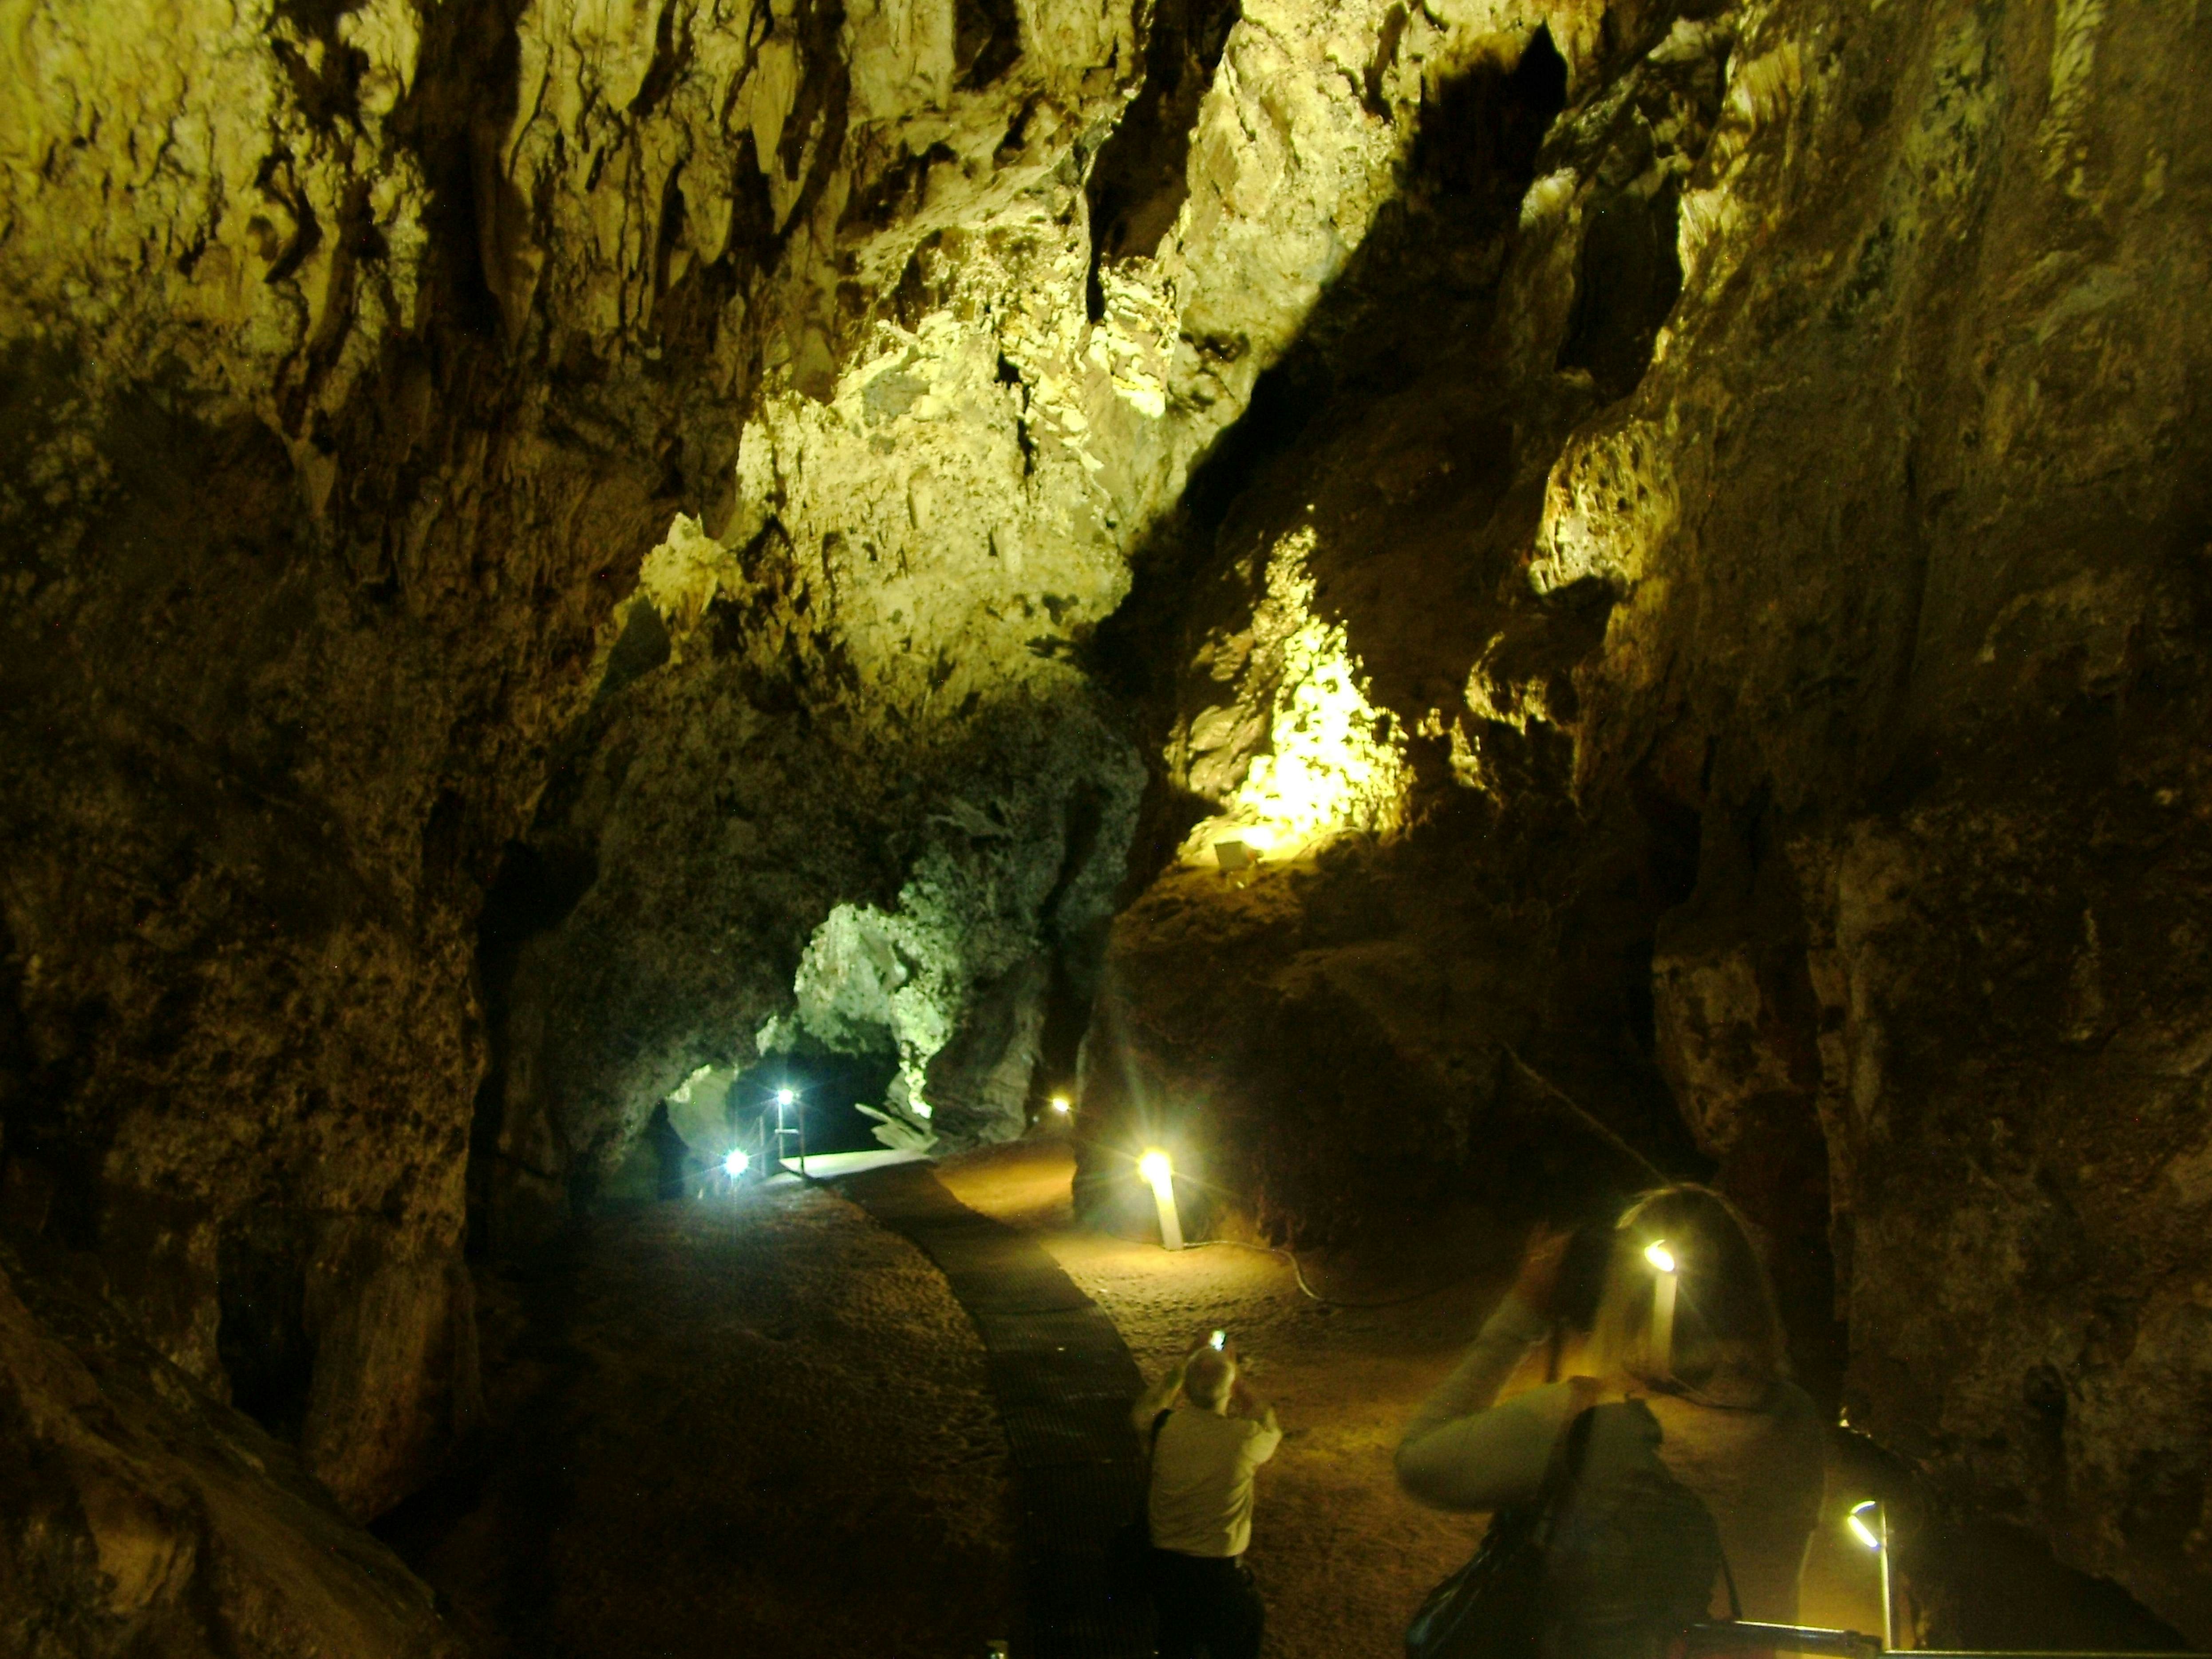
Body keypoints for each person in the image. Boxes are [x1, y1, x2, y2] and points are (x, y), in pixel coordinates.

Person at [1396, 1186, 1825, 1644]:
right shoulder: (1797, 1416)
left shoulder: (1588, 1421)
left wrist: (1523, 1309)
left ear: (1620, 1290)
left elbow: (1419, 1462)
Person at [1130, 1335, 1284, 1659]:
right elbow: (1267, 1418)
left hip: (1167, 1575)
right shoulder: (1244, 1439)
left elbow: (1144, 1409)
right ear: (1228, 1390)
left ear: (1185, 1390)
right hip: (1221, 1577)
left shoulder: (1163, 1429)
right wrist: (1237, 1376)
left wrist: (1181, 1368)